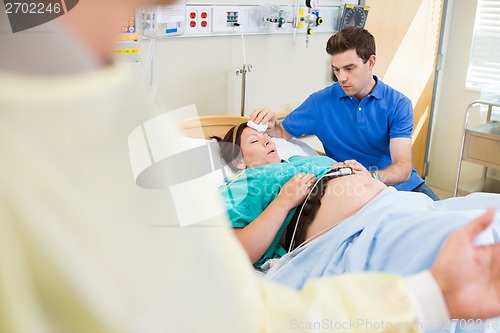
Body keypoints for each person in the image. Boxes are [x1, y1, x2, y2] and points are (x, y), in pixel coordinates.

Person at [1, 2, 500, 332]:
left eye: (351, 67)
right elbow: (222, 301)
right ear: (240, 155)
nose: (267, 145)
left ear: (371, 63)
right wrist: (271, 141)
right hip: (348, 231)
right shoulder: (230, 178)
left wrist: (429, 295)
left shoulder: (102, 92)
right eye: (254, 142)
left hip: (395, 200)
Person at [250, 26, 440, 201]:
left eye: (349, 68)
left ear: (371, 62)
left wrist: (370, 177)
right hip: (359, 194)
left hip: (406, 187)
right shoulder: (319, 103)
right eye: (336, 70)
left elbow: (403, 168)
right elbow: (282, 133)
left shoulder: (398, 104)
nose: (341, 78)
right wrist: (271, 123)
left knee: (453, 225)